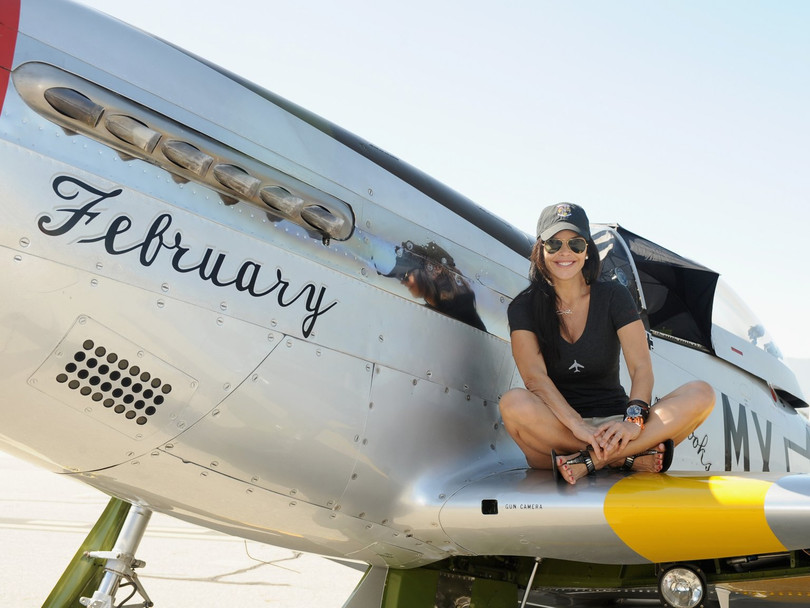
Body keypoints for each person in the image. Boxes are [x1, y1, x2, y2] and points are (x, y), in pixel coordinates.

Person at [499, 203, 715, 484]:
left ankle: (591, 461)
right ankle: (627, 458)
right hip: (560, 430)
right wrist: (577, 426)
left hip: (616, 424)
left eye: (575, 244)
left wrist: (632, 421)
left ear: (587, 250)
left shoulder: (613, 295)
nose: (565, 252)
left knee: (702, 394)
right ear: (540, 249)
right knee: (512, 403)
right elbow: (535, 379)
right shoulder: (523, 307)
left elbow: (640, 368)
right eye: (554, 244)